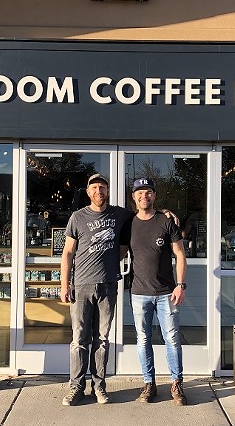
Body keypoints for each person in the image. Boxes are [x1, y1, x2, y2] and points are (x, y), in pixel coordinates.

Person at [60, 173, 133, 406]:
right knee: (79, 339)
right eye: (94, 188)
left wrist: (166, 213)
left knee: (102, 339)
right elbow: (68, 253)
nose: (98, 191)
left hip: (108, 285)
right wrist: (64, 285)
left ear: (108, 191)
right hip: (81, 285)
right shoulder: (77, 217)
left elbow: (145, 214)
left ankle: (99, 386)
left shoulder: (120, 214)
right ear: (88, 192)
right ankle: (76, 387)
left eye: (102, 187)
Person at [127, 178, 189, 406]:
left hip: (166, 293)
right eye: (140, 193)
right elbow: (120, 252)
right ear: (133, 197)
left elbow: (180, 254)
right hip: (139, 293)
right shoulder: (128, 223)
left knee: (171, 338)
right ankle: (149, 383)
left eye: (148, 192)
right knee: (143, 339)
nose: (144, 196)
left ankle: (176, 383)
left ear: (154, 195)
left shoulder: (166, 221)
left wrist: (180, 285)